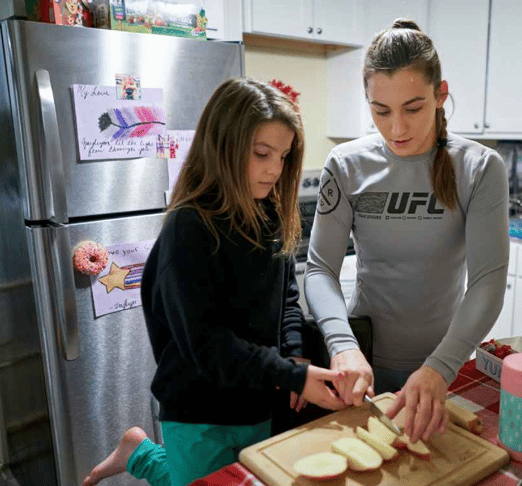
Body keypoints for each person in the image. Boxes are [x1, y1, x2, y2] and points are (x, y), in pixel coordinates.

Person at [83, 77, 346, 486]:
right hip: (197, 408)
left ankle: (137, 449)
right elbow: (208, 346)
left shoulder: (269, 216)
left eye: (283, 156)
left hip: (258, 399)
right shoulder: (189, 229)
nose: (275, 169)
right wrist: (291, 376)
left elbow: (287, 298)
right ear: (223, 145)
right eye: (262, 153)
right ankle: (141, 453)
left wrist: (294, 356)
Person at [304, 18, 509, 445]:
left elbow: (488, 281)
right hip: (362, 366)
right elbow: (321, 267)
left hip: (444, 368)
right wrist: (342, 345)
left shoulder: (480, 168)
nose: (397, 129)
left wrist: (441, 367)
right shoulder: (345, 164)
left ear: (441, 95)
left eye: (413, 108)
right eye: (381, 111)